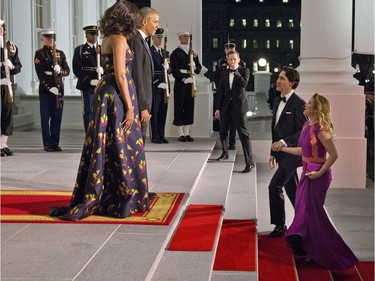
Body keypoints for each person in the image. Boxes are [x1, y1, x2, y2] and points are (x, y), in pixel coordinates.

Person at [50, 0, 150, 220]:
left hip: (105, 92)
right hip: (117, 94)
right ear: (127, 19)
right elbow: (121, 75)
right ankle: (124, 197)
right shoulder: (120, 39)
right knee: (125, 142)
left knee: (106, 143)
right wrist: (131, 108)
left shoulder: (107, 38)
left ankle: (109, 192)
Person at [278, 93, 358, 270]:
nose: (305, 105)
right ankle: (310, 250)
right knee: (304, 212)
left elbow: (334, 155)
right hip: (307, 173)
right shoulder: (307, 125)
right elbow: (303, 151)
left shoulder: (321, 129)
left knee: (312, 215)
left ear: (316, 109)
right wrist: (283, 148)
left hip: (318, 176)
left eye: (309, 103)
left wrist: (320, 172)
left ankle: (333, 254)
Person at [267, 66, 307, 238]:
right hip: (282, 154)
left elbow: (302, 132)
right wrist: (273, 152)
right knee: (293, 191)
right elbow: (276, 130)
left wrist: (283, 143)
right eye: (278, 77)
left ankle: (280, 226)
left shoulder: (299, 104)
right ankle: (305, 221)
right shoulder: (278, 100)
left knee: (274, 186)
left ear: (292, 83)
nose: (278, 80)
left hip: (292, 156)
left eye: (282, 78)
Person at [214, 50, 254, 173]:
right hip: (226, 106)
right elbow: (220, 91)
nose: (232, 61)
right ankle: (225, 153)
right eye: (230, 59)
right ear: (227, 59)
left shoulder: (244, 71)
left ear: (238, 59)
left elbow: (243, 84)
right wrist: (217, 108)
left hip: (239, 107)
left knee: (243, 135)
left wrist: (236, 73)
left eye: (234, 59)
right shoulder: (224, 73)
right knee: (222, 131)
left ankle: (249, 163)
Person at [34, 28, 70, 152]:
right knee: (45, 118)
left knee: (57, 117)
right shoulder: (39, 53)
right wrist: (50, 88)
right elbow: (41, 74)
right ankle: (47, 144)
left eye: (52, 37)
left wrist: (60, 70)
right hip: (46, 90)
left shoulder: (60, 53)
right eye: (48, 37)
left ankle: (55, 142)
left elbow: (67, 71)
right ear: (42, 38)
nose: (51, 40)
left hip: (59, 89)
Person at [128, 7, 159, 142]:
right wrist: (143, 107)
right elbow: (137, 75)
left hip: (144, 101)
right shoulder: (136, 40)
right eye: (155, 22)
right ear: (145, 21)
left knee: (141, 141)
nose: (157, 26)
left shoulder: (142, 40)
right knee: (137, 142)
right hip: (140, 104)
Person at [170, 31, 202, 142]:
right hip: (181, 82)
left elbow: (199, 68)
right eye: (185, 36)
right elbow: (174, 70)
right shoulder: (175, 53)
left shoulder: (192, 52)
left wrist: (194, 66)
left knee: (189, 106)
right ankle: (180, 133)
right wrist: (183, 79)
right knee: (180, 106)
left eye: (188, 36)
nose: (187, 38)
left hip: (191, 81)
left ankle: (187, 132)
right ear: (180, 38)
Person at [213, 39, 245, 150]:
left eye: (232, 48)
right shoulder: (221, 63)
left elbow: (244, 83)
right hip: (225, 98)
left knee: (234, 125)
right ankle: (224, 149)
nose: (230, 49)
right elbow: (218, 78)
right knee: (223, 126)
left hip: (236, 99)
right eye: (228, 48)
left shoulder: (242, 66)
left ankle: (232, 144)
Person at [72, 25, 103, 134]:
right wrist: (89, 80)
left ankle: (98, 133)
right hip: (87, 85)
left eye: (96, 34)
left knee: (100, 110)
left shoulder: (101, 49)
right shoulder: (80, 50)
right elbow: (76, 69)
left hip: (100, 83)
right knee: (88, 110)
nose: (94, 37)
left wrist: (103, 70)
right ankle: (89, 134)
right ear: (86, 35)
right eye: (92, 34)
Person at [0, 19, 22, 157]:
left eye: (2, 27)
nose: (0, 29)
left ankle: (4, 144)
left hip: (7, 86)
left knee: (7, 115)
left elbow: (18, 66)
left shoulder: (11, 46)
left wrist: (11, 66)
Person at [150, 27, 170, 144]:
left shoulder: (165, 53)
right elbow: (148, 70)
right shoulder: (150, 52)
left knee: (163, 112)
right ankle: (155, 136)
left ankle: (162, 135)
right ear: (153, 37)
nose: (160, 39)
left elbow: (170, 70)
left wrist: (168, 67)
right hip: (155, 86)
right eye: (158, 37)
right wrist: (157, 83)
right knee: (155, 112)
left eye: (161, 37)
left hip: (165, 86)